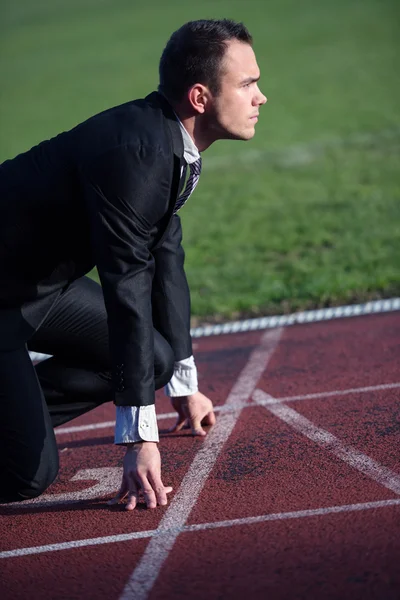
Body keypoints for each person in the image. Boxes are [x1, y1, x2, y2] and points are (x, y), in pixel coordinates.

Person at [0, 19, 267, 510]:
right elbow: (127, 289)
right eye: (248, 83)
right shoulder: (138, 154)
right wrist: (140, 440)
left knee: (158, 359)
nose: (261, 97)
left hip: (34, 287)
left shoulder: (168, 141)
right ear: (200, 97)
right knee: (25, 474)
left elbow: (166, 259)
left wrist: (184, 385)